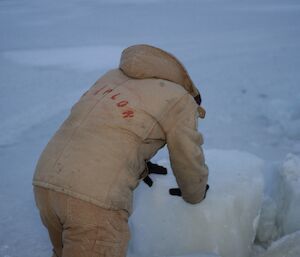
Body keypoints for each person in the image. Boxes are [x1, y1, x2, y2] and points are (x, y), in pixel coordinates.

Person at [33, 44, 209, 257]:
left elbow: (103, 129)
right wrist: (194, 194)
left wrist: (139, 166)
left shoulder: (111, 77)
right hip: (93, 199)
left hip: (46, 182)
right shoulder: (179, 98)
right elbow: (187, 158)